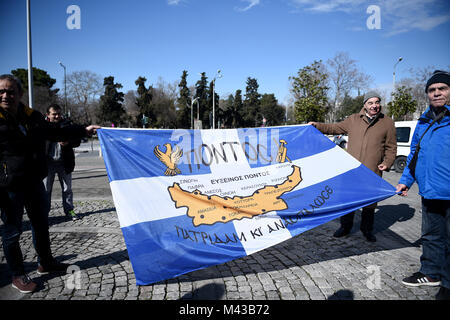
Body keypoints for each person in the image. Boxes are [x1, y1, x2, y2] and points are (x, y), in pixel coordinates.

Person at [0, 74, 100, 294]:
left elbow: (56, 132)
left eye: (10, 91)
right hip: (9, 188)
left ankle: (45, 262)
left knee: (41, 224)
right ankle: (17, 274)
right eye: (1, 92)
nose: (6, 95)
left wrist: (83, 130)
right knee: (11, 233)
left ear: (19, 94)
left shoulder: (31, 117)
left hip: (34, 181)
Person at [309, 91, 397, 242]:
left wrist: (387, 163)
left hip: (372, 170)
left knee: (369, 204)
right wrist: (316, 126)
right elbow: (334, 128)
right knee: (347, 200)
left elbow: (391, 147)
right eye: (370, 103)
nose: (374, 106)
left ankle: (367, 230)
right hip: (351, 170)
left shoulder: (387, 122)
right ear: (364, 105)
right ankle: (345, 227)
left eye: (377, 102)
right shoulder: (353, 119)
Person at [396, 70, 450, 300]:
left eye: (442, 89)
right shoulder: (425, 120)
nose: (436, 93)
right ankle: (430, 273)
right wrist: (405, 180)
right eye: (432, 90)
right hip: (430, 192)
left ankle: (447, 285)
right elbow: (414, 154)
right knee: (431, 236)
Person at [44, 104, 80, 221]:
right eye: (54, 114)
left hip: (64, 162)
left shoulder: (67, 125)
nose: (57, 116)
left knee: (67, 189)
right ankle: (44, 213)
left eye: (59, 113)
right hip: (47, 163)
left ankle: (69, 210)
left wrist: (68, 142)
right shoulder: (42, 126)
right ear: (48, 115)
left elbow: (77, 140)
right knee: (46, 189)